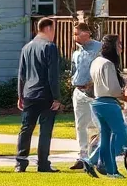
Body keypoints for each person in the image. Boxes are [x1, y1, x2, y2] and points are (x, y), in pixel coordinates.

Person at [82, 34, 127, 179]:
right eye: (119, 44)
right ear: (112, 46)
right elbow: (113, 89)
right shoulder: (108, 64)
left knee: (106, 136)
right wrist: (125, 94)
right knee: (120, 135)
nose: (121, 48)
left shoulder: (96, 61)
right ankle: (112, 169)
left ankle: (92, 160)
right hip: (109, 102)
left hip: (97, 102)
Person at [15, 17, 61, 173]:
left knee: (26, 128)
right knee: (45, 130)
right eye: (54, 29)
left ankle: (20, 162)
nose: (54, 33)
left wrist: (20, 95)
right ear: (48, 29)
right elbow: (52, 74)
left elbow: (21, 74)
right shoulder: (50, 47)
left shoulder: (26, 48)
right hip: (46, 93)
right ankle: (42, 163)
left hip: (29, 93)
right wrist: (56, 97)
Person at [67, 21, 102, 170]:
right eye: (74, 33)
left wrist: (93, 82)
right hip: (78, 91)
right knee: (81, 125)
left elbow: (104, 68)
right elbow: (74, 69)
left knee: (99, 124)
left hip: (93, 92)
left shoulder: (98, 48)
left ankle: (98, 154)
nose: (74, 36)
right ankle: (82, 156)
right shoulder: (77, 52)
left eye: (76, 33)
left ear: (86, 33)